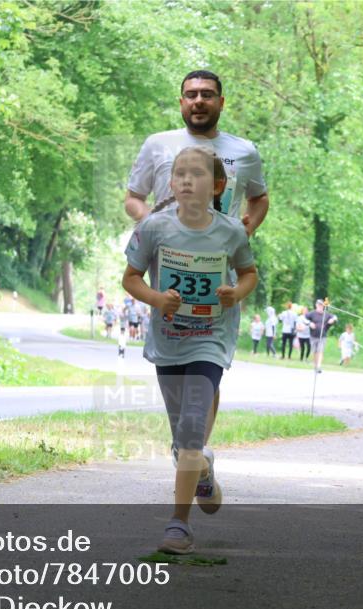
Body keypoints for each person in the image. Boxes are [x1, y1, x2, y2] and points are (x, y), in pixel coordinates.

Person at [122, 146, 258, 554]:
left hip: (211, 338)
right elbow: (131, 278)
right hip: (169, 340)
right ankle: (201, 469)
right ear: (170, 183)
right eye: (179, 173)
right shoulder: (154, 229)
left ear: (217, 185)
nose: (185, 180)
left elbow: (249, 273)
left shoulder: (230, 231)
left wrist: (235, 293)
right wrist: (157, 299)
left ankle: (178, 524)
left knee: (192, 425)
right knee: (183, 434)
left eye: (196, 173)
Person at [125, 70, 269, 235]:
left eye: (207, 95)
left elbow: (259, 198)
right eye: (191, 95)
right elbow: (133, 198)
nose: (199, 101)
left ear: (221, 103)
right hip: (164, 256)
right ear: (181, 103)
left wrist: (247, 229)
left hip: (220, 257)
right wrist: (153, 222)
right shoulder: (156, 144)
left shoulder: (245, 151)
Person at [305, 299, 338, 373]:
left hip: (322, 336)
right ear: (316, 305)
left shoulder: (327, 314)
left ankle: (319, 366)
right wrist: (309, 323)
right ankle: (316, 366)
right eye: (319, 305)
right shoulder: (311, 313)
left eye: (321, 305)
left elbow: (335, 317)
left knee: (320, 350)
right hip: (313, 336)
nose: (320, 306)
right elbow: (304, 319)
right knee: (315, 351)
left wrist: (333, 319)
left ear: (323, 306)